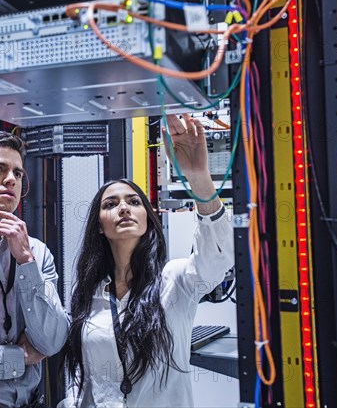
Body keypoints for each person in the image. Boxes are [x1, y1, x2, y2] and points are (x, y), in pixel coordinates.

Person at [60, 114, 235, 407]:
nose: (124, 208)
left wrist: (198, 178)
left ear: (147, 219)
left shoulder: (175, 280)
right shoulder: (89, 295)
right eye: (111, 204)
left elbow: (220, 255)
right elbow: (85, 381)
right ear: (99, 226)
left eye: (134, 201)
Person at [0, 131, 69, 408]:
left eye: (17, 173)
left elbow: (52, 340)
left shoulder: (37, 252)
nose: (10, 179)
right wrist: (20, 357)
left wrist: (26, 261)